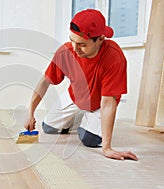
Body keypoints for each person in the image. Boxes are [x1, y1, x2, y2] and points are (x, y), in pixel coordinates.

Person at [24, 9, 138, 161]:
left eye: (82, 44)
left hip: (99, 104)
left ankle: (88, 118)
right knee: (48, 128)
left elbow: (108, 103)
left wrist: (107, 148)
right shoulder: (66, 51)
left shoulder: (114, 57)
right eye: (72, 40)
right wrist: (30, 112)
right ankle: (79, 115)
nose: (75, 48)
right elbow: (45, 81)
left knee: (90, 140)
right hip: (75, 96)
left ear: (101, 39)